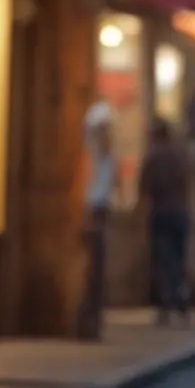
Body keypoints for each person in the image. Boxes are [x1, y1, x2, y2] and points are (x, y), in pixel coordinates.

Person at [139, 117, 191, 324]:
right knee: (178, 260)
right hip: (179, 213)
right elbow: (187, 182)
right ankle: (180, 299)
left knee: (162, 259)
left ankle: (166, 305)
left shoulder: (153, 157)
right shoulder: (178, 156)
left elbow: (144, 187)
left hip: (160, 212)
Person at [78, 99, 116, 340]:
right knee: (88, 271)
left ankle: (92, 323)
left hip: (99, 211)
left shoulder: (105, 154)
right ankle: (85, 323)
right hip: (89, 211)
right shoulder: (88, 153)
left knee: (96, 271)